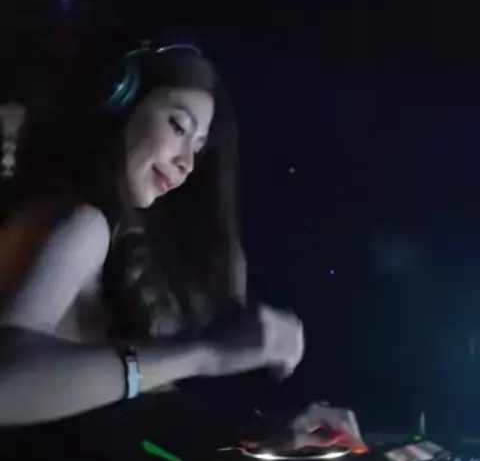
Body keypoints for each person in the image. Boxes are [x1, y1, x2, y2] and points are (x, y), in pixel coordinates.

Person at [0, 41, 304, 425]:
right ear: (120, 101)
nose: (186, 162)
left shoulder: (121, 237)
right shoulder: (79, 224)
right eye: (177, 127)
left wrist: (278, 432)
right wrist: (205, 354)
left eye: (197, 147)